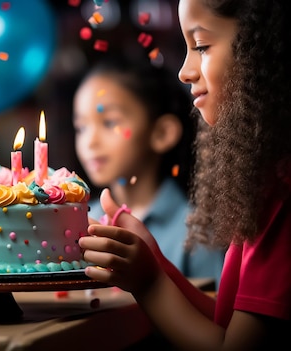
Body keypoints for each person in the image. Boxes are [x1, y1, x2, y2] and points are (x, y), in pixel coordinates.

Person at [78, 0, 291, 349]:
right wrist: (154, 259)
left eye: (202, 46)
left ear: (263, 50)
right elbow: (227, 320)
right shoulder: (264, 182)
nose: (184, 71)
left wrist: (149, 284)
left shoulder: (282, 193)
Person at [73, 55, 224, 283]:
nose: (89, 142)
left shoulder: (197, 232)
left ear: (162, 133)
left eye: (110, 122)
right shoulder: (81, 221)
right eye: (81, 127)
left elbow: (214, 314)